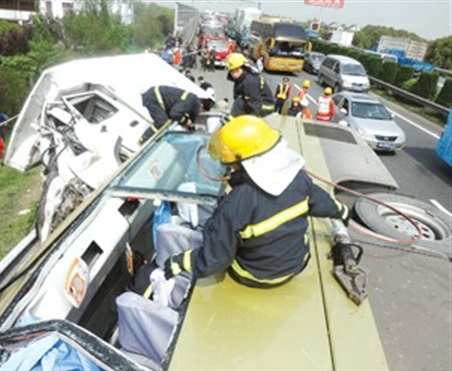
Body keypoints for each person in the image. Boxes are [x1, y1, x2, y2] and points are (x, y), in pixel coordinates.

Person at [162, 115, 350, 287]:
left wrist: (181, 262)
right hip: (296, 264)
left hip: (253, 275)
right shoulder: (300, 179)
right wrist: (341, 211)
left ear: (243, 162)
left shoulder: (234, 205)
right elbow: (321, 202)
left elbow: (215, 260)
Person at [139, 85, 214, 144]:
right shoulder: (191, 102)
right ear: (201, 106)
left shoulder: (192, 100)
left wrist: (191, 127)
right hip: (153, 98)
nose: (199, 113)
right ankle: (144, 139)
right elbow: (175, 114)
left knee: (166, 121)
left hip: (157, 98)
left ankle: (152, 139)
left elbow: (178, 111)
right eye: (201, 111)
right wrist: (185, 121)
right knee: (162, 122)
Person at [226, 53, 275, 117]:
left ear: (243, 68)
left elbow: (256, 102)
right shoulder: (241, 78)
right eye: (232, 71)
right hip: (256, 102)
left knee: (239, 103)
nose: (234, 74)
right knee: (239, 102)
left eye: (237, 70)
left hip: (265, 106)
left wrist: (251, 120)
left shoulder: (250, 81)